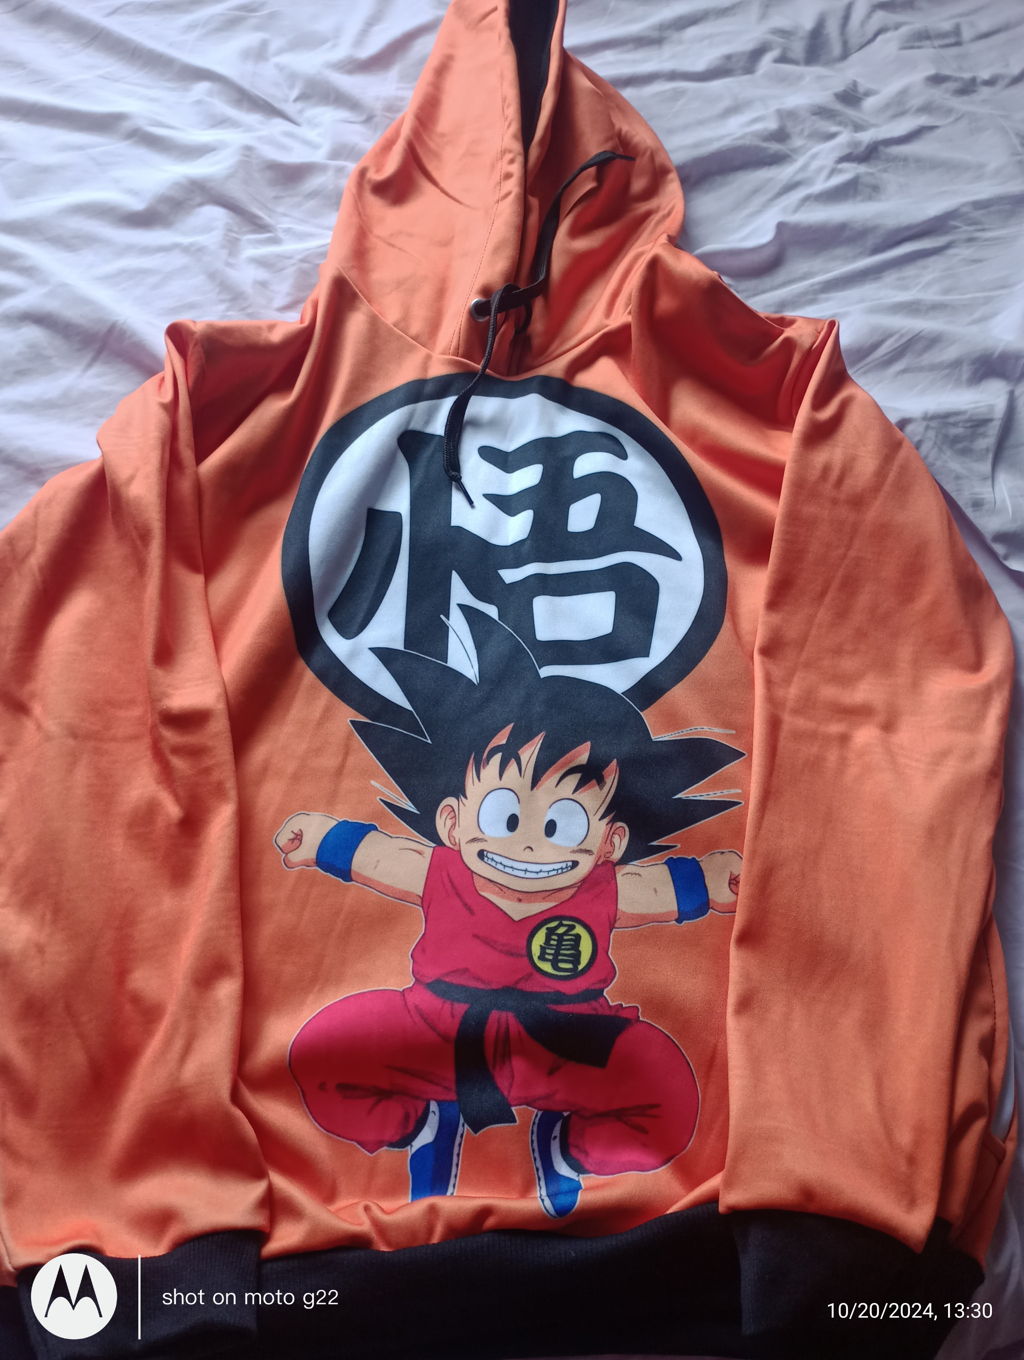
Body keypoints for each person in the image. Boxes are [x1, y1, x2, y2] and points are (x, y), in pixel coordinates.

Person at [276, 609, 743, 1217]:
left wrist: (710, 880)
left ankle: (569, 1148)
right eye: (504, 815)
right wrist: (324, 840)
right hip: (434, 1029)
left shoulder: (603, 889)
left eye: (561, 824)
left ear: (610, 844)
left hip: (571, 1039)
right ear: (452, 822)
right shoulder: (442, 870)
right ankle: (418, 1123)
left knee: (669, 1091)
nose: (526, 845)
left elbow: (656, 888)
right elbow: (384, 856)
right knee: (320, 1050)